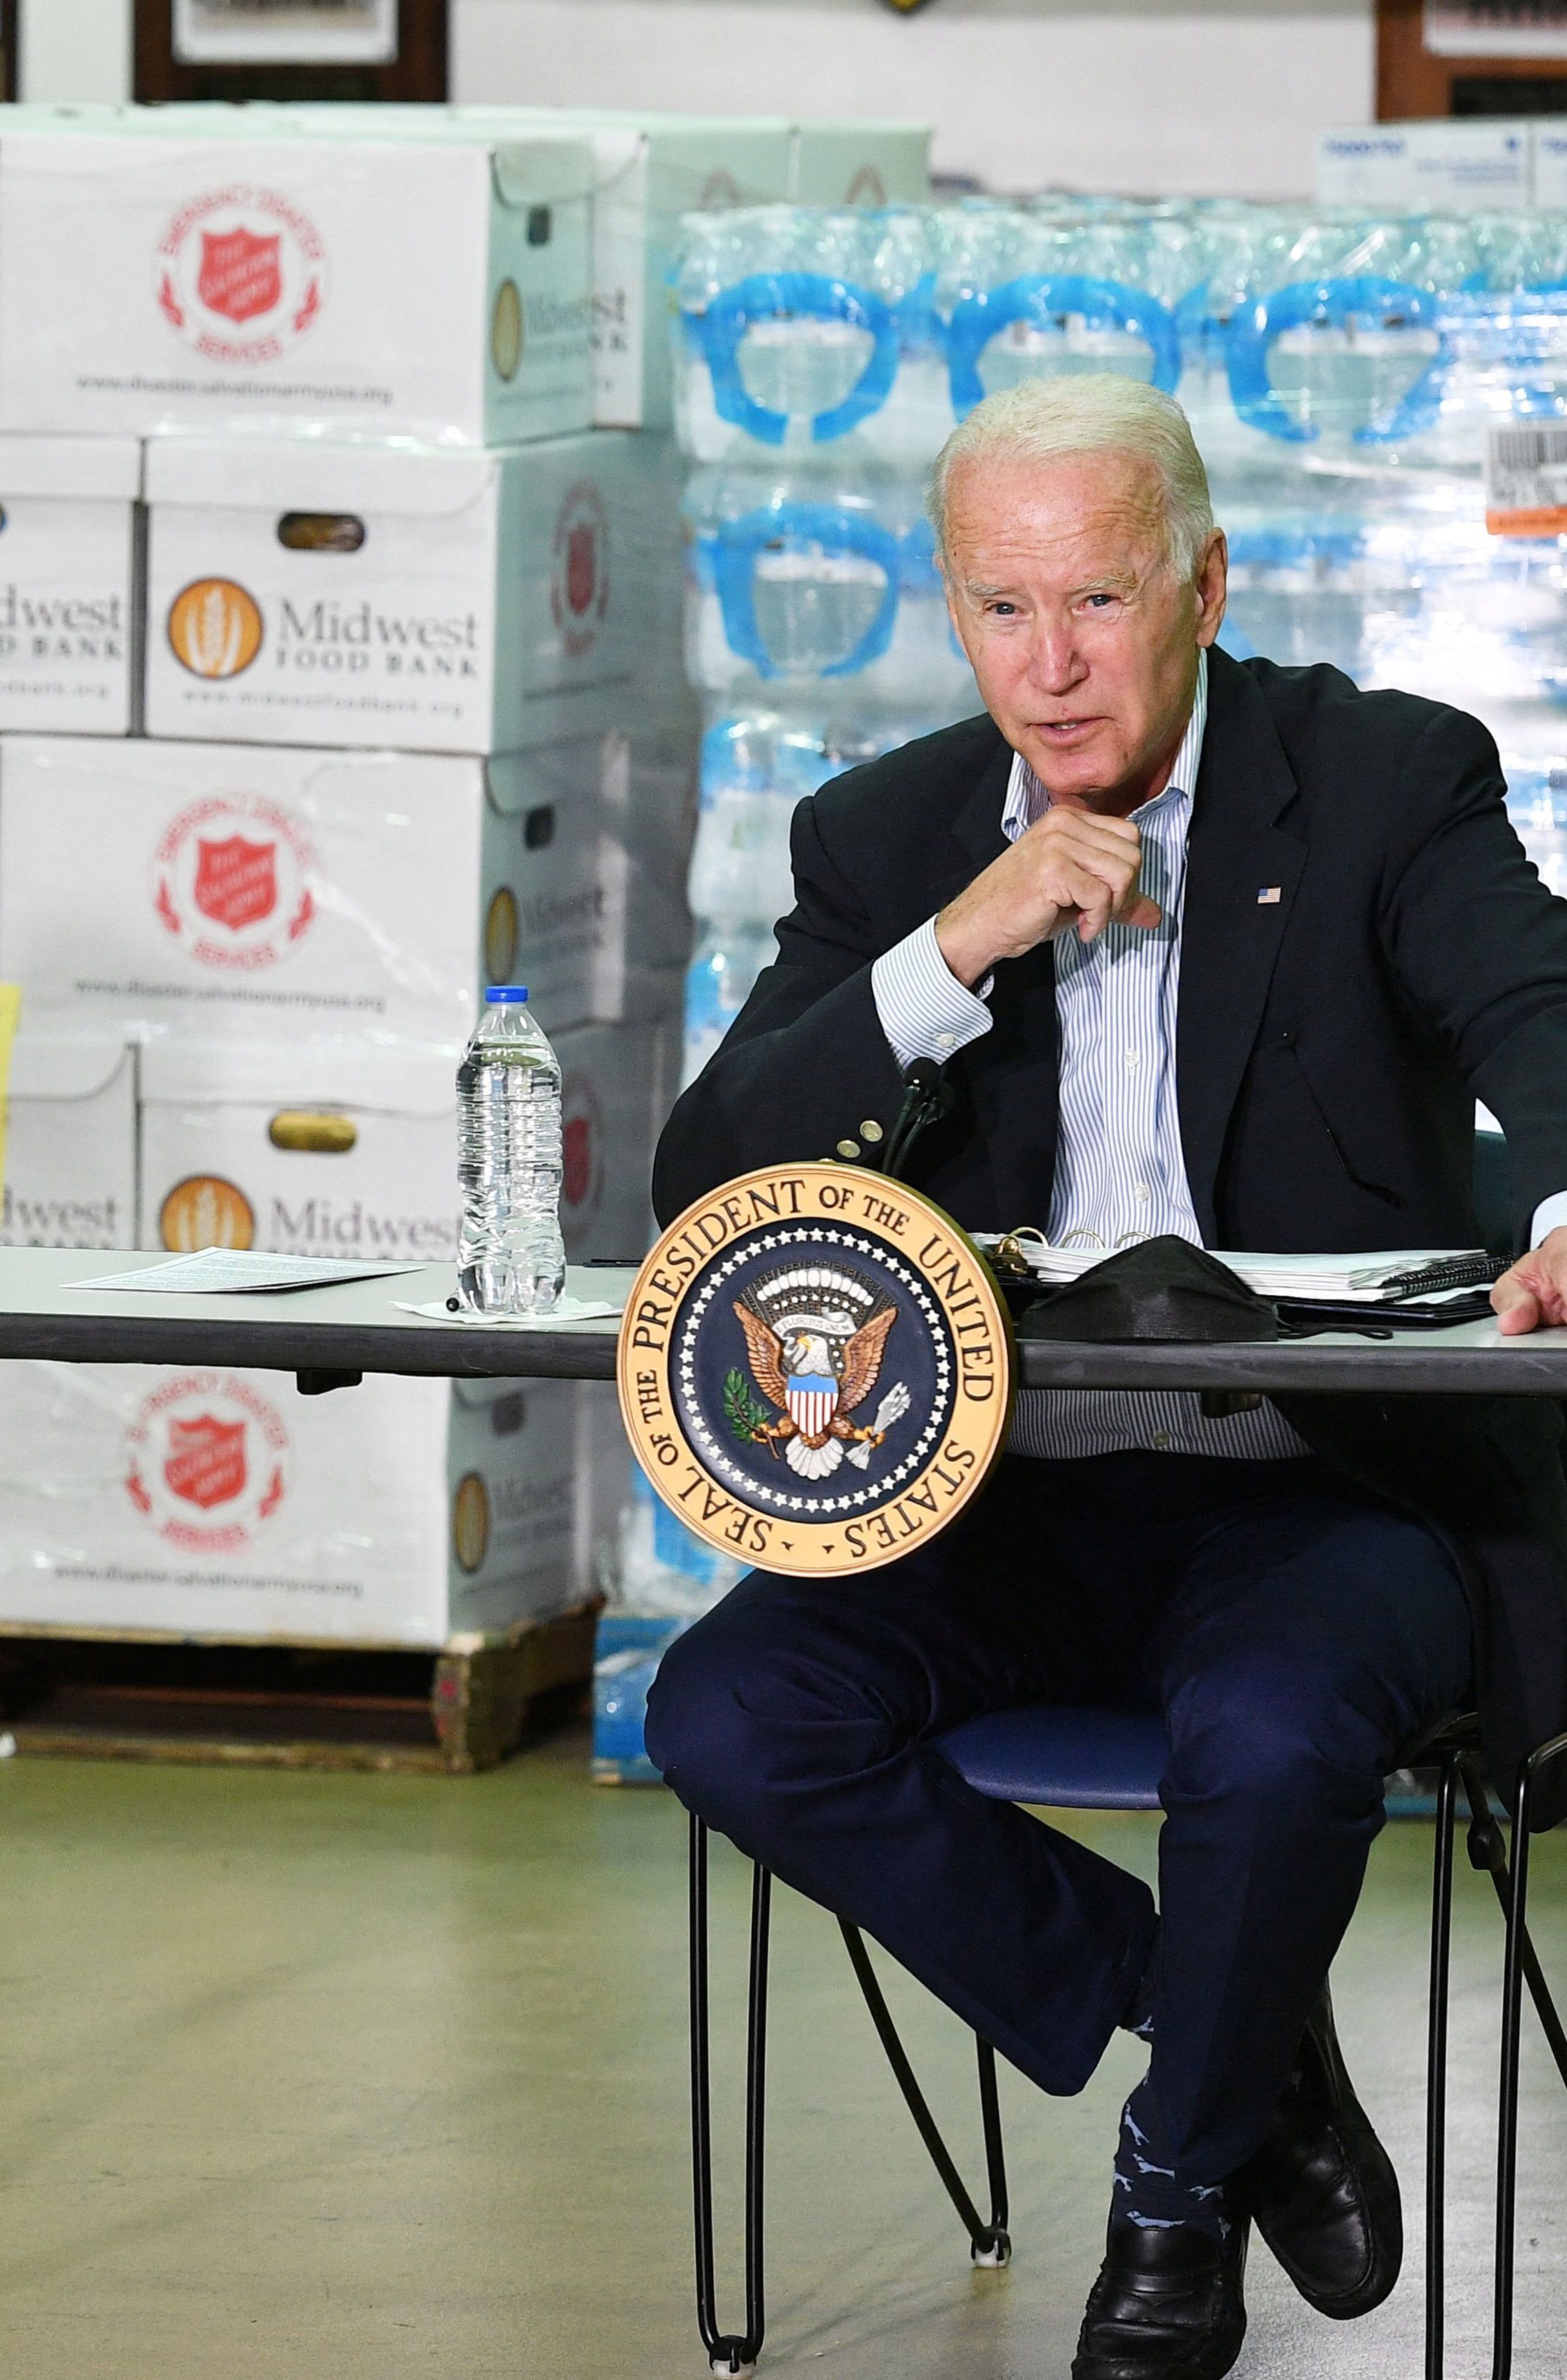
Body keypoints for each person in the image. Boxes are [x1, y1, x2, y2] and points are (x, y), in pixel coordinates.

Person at [646, 373, 1567, 2380]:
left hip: (1320, 1487)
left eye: (1099, 603)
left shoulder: (1384, 777)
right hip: (1014, 1492)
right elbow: (702, 1186)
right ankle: (1235, 2045)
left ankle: (1169, 2204)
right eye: (1000, 609)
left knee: (1270, 1721)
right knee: (727, 1708)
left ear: (1207, 585)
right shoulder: (884, 832)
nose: (1050, 668)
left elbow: (1538, 999)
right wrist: (947, 950)